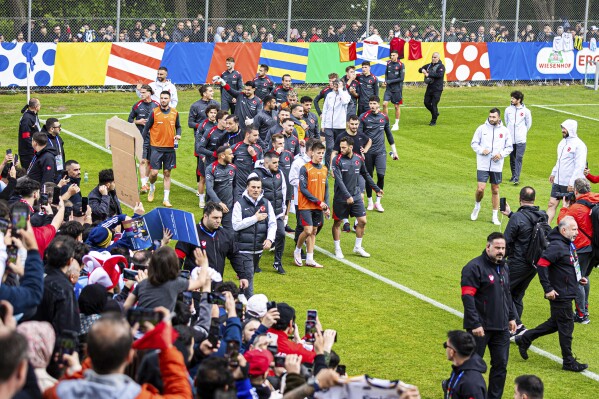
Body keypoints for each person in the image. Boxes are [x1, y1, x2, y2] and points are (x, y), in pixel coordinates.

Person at [44, 311, 192, 398]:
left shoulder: (57, 393)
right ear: (129, 356)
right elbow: (181, 394)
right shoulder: (138, 396)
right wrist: (166, 347)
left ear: (87, 351)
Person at [514, 216, 589, 372]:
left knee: (555, 323)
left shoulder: (567, 244)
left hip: (567, 290)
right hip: (560, 293)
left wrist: (578, 278)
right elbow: (542, 265)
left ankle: (525, 338)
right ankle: (568, 361)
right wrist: (547, 288)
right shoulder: (557, 246)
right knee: (566, 327)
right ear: (563, 230)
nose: (577, 232)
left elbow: (566, 265)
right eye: (573, 229)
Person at [461, 232, 517, 399]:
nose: (501, 251)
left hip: (501, 328)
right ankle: (457, 390)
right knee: (471, 366)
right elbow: (467, 298)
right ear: (488, 247)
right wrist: (475, 324)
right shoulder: (473, 267)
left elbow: (507, 294)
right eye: (497, 248)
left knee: (500, 366)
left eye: (503, 248)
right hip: (480, 328)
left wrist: (512, 317)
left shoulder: (504, 266)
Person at [501, 186, 547, 334]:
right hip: (534, 264)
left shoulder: (518, 218)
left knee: (503, 290)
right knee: (517, 295)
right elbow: (527, 225)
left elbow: (506, 241)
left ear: (519, 199)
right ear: (534, 200)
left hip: (518, 262)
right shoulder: (542, 216)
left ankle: (518, 326)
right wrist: (510, 214)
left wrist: (497, 259)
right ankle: (512, 329)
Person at [175, 201, 248, 288]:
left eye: (220, 218)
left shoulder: (225, 235)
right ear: (205, 216)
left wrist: (242, 276)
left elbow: (235, 255)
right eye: (215, 218)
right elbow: (178, 256)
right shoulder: (191, 233)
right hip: (195, 286)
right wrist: (175, 278)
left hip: (217, 286)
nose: (218, 221)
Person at [331, 136, 383, 259]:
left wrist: (376, 188)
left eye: (344, 147)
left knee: (363, 221)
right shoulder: (337, 160)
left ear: (351, 147)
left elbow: (365, 174)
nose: (341, 149)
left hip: (355, 195)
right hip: (341, 197)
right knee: (337, 223)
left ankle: (358, 247)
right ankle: (337, 248)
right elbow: (339, 180)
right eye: (340, 147)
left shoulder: (358, 158)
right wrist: (347, 196)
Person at [557, 178, 599, 324]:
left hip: (581, 247)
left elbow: (562, 224)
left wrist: (564, 207)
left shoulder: (575, 209)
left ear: (576, 190)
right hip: (595, 248)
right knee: (584, 277)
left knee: (578, 280)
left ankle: (581, 315)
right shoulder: (596, 199)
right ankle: (584, 309)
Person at [124, 246, 208, 312]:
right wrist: (204, 264)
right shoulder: (176, 283)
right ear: (174, 265)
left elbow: (126, 306)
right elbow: (200, 281)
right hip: (161, 330)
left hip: (141, 330)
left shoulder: (142, 283)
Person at [232, 177, 276, 296]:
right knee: (249, 277)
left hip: (258, 248)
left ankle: (240, 301)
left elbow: (273, 223)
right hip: (243, 248)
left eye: (258, 187)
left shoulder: (266, 203)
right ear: (247, 187)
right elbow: (235, 225)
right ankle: (251, 307)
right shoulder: (239, 204)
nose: (256, 190)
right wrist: (255, 219)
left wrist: (270, 239)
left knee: (247, 277)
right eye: (253, 187)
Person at [470, 108, 513, 226]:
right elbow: (474, 143)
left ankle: (494, 215)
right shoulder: (481, 128)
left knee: (495, 189)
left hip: (496, 165)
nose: (491, 119)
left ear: (499, 117)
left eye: (494, 117)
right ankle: (477, 206)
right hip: (483, 163)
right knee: (480, 188)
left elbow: (509, 147)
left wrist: (501, 155)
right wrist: (481, 150)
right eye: (490, 117)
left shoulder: (504, 131)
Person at [248, 151, 287, 274]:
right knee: (259, 237)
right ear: (266, 162)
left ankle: (277, 262)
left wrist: (283, 210)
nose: (277, 165)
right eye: (274, 163)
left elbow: (283, 191)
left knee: (281, 234)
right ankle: (255, 263)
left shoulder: (279, 173)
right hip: (262, 213)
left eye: (278, 162)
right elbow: (248, 192)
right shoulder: (255, 174)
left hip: (277, 213)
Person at [358, 96, 398, 212]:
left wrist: (394, 151)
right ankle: (370, 201)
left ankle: (378, 202)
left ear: (378, 105)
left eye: (374, 103)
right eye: (370, 103)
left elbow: (389, 134)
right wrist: (362, 150)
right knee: (369, 176)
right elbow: (359, 135)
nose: (372, 105)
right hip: (368, 152)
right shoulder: (364, 117)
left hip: (381, 152)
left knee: (381, 175)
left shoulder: (384, 117)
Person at [34, 236, 81, 335]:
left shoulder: (33, 277)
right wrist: (68, 350)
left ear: (47, 255)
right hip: (49, 345)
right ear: (70, 261)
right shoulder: (64, 288)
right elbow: (69, 329)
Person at [142, 90, 182, 207]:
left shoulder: (175, 113)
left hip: (170, 148)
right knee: (154, 173)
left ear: (169, 99)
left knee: (167, 173)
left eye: (166, 98)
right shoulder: (154, 112)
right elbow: (146, 128)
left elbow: (178, 126)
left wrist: (178, 134)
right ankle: (152, 187)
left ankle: (166, 199)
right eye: (162, 98)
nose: (163, 100)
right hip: (156, 147)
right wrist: (141, 142)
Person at [293, 142, 329, 268]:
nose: (320, 155)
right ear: (312, 153)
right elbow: (303, 189)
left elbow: (326, 189)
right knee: (307, 230)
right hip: (306, 205)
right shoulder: (305, 168)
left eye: (322, 153)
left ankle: (309, 259)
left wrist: (327, 206)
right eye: (318, 153)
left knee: (313, 231)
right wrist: (319, 202)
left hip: (318, 206)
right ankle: (297, 251)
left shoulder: (324, 169)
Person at [547, 119, 587, 223]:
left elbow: (580, 166)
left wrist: (572, 182)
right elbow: (559, 160)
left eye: (564, 128)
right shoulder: (562, 142)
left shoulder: (579, 145)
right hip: (558, 182)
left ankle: (567, 233)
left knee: (569, 208)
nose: (562, 130)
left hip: (569, 184)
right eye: (562, 128)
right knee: (551, 204)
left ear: (571, 129)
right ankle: (544, 229)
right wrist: (554, 172)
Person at [128, 84, 158, 193]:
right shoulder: (137, 105)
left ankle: (146, 183)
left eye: (144, 92)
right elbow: (129, 120)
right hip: (141, 137)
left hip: (154, 138)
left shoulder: (156, 105)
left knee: (150, 162)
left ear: (150, 93)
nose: (142, 94)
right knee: (142, 161)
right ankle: (144, 184)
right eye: (141, 92)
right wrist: (138, 121)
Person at [442, 330, 487, 399]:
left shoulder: (471, 384)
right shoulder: (459, 369)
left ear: (452, 352)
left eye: (446, 345)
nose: (445, 348)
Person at [321, 79, 351, 170]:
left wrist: (341, 90)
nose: (336, 86)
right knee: (329, 147)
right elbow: (325, 109)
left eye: (339, 85)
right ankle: (326, 167)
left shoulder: (345, 95)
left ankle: (338, 165)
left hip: (340, 126)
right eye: (335, 85)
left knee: (339, 147)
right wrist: (323, 124)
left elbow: (345, 101)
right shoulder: (329, 95)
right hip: (329, 126)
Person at [205, 146, 237, 229]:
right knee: (210, 231)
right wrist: (219, 203)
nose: (232, 156)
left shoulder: (233, 168)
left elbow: (235, 186)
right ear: (222, 156)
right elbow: (209, 189)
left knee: (230, 233)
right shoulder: (211, 169)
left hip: (228, 208)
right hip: (213, 208)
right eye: (230, 154)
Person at [505, 91, 532, 186]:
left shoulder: (526, 111)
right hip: (510, 139)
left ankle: (517, 177)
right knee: (512, 158)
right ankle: (513, 175)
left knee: (519, 158)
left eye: (513, 98)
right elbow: (506, 121)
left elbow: (528, 124)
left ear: (519, 100)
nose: (511, 100)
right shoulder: (508, 110)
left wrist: (522, 132)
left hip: (521, 140)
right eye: (511, 98)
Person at [195, 105, 219, 208]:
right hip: (205, 156)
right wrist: (202, 155)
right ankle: (201, 200)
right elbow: (198, 142)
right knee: (203, 178)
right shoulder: (203, 125)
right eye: (211, 113)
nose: (213, 114)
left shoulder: (219, 124)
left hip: (217, 157)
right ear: (207, 114)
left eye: (215, 112)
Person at [232, 128, 264, 199]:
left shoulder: (258, 149)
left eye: (258, 135)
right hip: (239, 187)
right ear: (247, 134)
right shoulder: (235, 148)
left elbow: (261, 168)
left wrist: (254, 156)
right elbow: (229, 165)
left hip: (253, 187)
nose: (257, 138)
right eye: (255, 135)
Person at [418, 52, 445, 126]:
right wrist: (422, 70)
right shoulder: (429, 65)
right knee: (426, 103)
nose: (433, 58)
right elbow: (420, 69)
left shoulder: (441, 66)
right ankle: (435, 113)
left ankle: (433, 121)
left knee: (434, 104)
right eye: (432, 57)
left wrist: (428, 74)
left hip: (437, 88)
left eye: (435, 57)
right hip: (429, 88)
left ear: (438, 58)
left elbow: (440, 75)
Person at [382, 50, 405, 131]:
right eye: (391, 55)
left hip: (397, 89)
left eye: (393, 55)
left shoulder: (401, 65)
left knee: (396, 106)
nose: (392, 57)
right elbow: (386, 74)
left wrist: (389, 82)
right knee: (384, 104)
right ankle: (386, 122)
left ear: (397, 55)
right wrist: (385, 81)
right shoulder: (388, 63)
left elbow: (401, 78)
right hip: (389, 89)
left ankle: (396, 123)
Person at [18, 98, 41, 170]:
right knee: (29, 176)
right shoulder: (27, 118)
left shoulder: (33, 115)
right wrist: (34, 148)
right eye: (39, 105)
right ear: (35, 107)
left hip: (32, 151)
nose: (40, 106)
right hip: (28, 153)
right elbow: (26, 136)